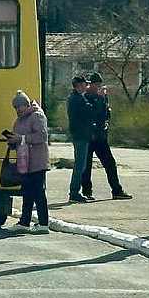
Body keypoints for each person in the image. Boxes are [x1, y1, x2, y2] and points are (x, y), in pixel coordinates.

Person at [80, 72, 131, 200]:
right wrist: (100, 99)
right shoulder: (85, 97)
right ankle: (87, 191)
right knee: (86, 166)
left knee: (110, 163)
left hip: (100, 136)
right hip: (89, 136)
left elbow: (105, 114)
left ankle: (117, 190)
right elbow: (92, 113)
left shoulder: (102, 97)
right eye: (95, 85)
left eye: (99, 85)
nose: (98, 87)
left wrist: (105, 104)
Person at [5, 91, 50, 233]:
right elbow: (19, 138)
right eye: (15, 108)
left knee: (38, 193)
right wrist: (12, 142)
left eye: (20, 106)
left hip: (37, 161)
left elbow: (42, 136)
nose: (18, 110)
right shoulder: (19, 120)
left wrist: (21, 138)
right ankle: (24, 222)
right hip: (25, 163)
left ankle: (44, 223)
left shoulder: (37, 115)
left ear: (26, 104)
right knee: (27, 193)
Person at [66, 75, 94, 203]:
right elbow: (89, 111)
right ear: (79, 85)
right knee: (80, 165)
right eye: (84, 85)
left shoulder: (74, 98)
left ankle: (75, 191)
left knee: (81, 165)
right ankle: (74, 192)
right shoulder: (77, 99)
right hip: (80, 135)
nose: (86, 87)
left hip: (79, 134)